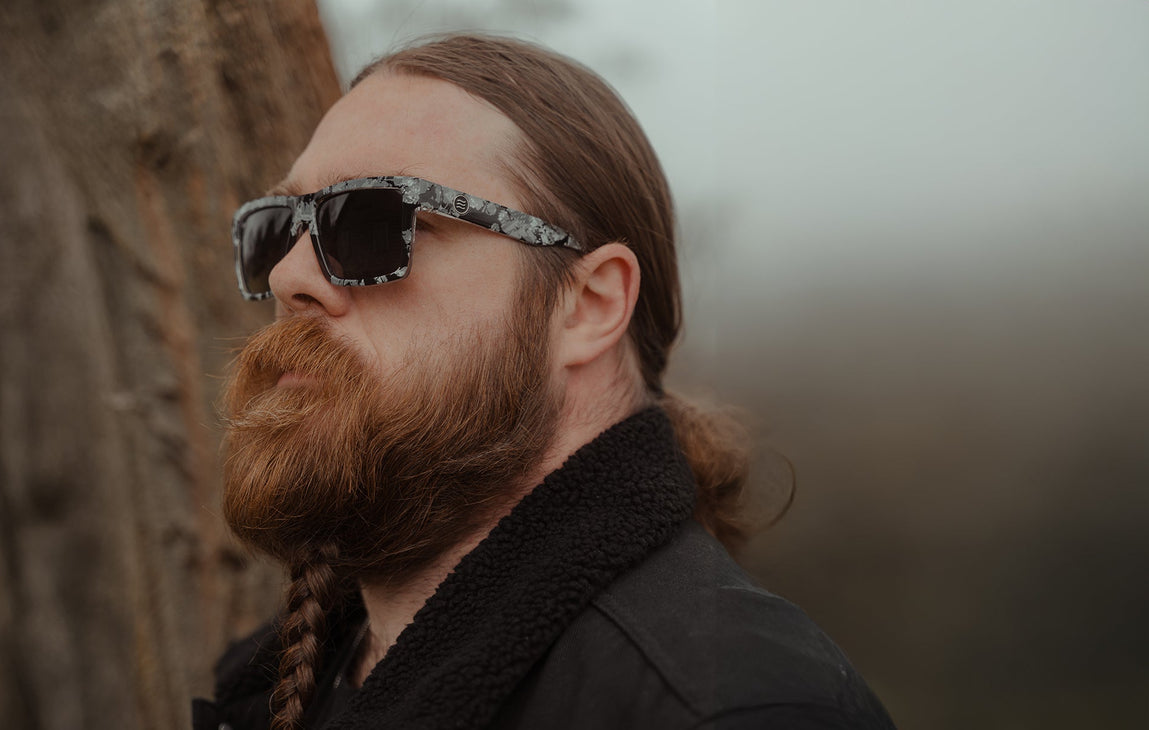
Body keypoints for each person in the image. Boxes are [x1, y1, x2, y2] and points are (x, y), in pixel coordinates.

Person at [192, 33, 896, 730]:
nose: (288, 277)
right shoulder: (278, 681)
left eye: (375, 221)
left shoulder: (734, 708)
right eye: (276, 228)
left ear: (588, 306)